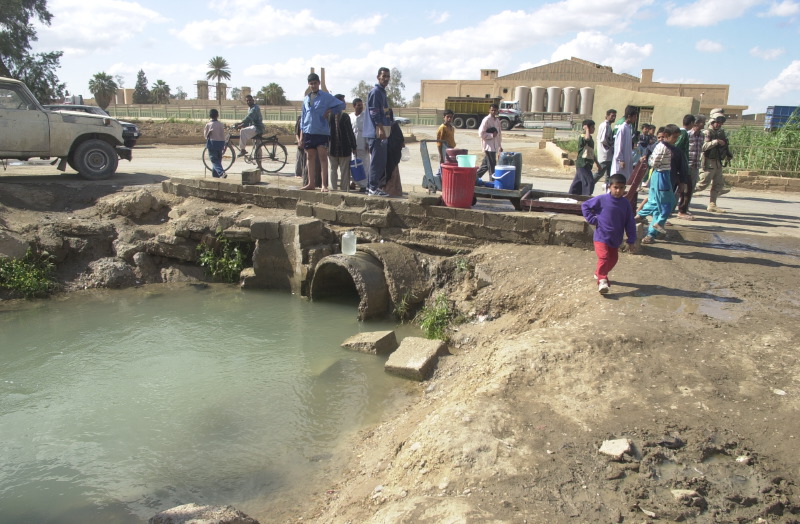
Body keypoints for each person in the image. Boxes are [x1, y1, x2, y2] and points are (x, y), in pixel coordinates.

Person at [581, 173, 637, 294]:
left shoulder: (625, 204)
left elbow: (630, 222)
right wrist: (592, 219)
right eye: (615, 187)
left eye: (621, 188)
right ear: (609, 187)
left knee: (613, 259)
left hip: (615, 237)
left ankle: (599, 273)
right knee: (604, 257)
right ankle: (602, 280)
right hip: (601, 236)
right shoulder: (602, 199)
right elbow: (585, 205)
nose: (618, 190)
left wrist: (631, 239)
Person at [637, 124, 687, 244]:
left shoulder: (675, 151)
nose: (676, 140)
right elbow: (652, 161)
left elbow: (683, 168)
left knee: (658, 205)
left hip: (668, 180)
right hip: (662, 179)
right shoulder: (662, 148)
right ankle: (648, 224)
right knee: (664, 205)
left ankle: (649, 232)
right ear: (666, 136)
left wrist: (682, 182)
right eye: (674, 137)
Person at [300, 73, 345, 192]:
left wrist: (330, 110)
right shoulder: (306, 99)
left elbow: (341, 105)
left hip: (321, 132)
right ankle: (311, 183)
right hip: (308, 131)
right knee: (310, 157)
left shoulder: (326, 96)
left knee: (323, 158)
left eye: (315, 83)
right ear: (308, 85)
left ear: (319, 83)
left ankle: (324, 184)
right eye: (311, 83)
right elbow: (303, 117)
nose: (313, 85)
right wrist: (301, 136)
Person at [364, 67, 394, 197]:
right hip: (376, 133)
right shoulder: (376, 92)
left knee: (378, 161)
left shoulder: (382, 92)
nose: (386, 79)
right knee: (377, 161)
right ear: (378, 77)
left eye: (388, 76)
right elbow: (374, 112)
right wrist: (381, 128)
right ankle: (373, 188)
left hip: (380, 132)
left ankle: (370, 187)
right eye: (384, 76)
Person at [695, 109, 732, 212]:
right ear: (712, 122)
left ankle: (712, 204)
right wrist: (715, 142)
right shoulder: (707, 133)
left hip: (717, 161)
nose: (719, 124)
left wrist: (728, 154)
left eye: (721, 123)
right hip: (708, 161)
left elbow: (725, 145)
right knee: (702, 184)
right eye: (717, 122)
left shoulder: (720, 133)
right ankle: (681, 195)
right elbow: (703, 146)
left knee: (718, 184)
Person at [327, 94, 357, 191]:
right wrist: (354, 146)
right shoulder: (345, 117)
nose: (344, 103)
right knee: (344, 171)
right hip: (344, 149)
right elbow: (350, 133)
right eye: (343, 102)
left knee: (332, 170)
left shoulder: (328, 115)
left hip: (331, 148)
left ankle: (333, 189)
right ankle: (344, 191)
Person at [680, 115, 706, 219]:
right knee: (682, 188)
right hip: (687, 164)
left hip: (695, 165)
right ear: (696, 123)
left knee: (690, 189)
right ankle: (677, 209)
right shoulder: (687, 134)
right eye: (703, 122)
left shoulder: (702, 135)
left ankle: (685, 208)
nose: (704, 124)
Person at [568, 119, 600, 196]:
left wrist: (597, 164)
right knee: (589, 181)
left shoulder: (591, 139)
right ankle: (586, 197)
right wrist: (587, 129)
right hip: (582, 164)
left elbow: (591, 153)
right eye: (592, 127)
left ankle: (572, 195)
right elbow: (587, 138)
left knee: (578, 182)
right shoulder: (583, 137)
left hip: (587, 164)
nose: (594, 129)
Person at [675, 114, 695, 219]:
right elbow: (676, 147)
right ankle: (682, 210)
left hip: (680, 166)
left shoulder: (681, 133)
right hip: (681, 166)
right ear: (691, 123)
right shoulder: (683, 134)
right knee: (687, 189)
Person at [475, 104, 502, 180]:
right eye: (492, 110)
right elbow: (481, 133)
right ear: (489, 110)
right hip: (488, 147)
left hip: (495, 146)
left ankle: (473, 178)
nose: (493, 112)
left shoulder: (497, 121)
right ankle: (492, 182)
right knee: (492, 166)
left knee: (485, 166)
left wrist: (500, 146)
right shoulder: (486, 120)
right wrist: (491, 135)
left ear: (497, 111)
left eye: (495, 110)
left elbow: (499, 135)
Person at [612, 105, 638, 183]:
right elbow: (618, 145)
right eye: (634, 117)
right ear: (629, 116)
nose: (635, 119)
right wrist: (621, 159)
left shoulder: (628, 127)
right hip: (621, 160)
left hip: (627, 158)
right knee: (618, 180)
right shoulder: (622, 128)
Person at [593, 109, 617, 187]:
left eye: (615, 116)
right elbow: (603, 139)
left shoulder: (608, 125)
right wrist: (611, 143)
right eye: (612, 116)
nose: (614, 118)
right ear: (607, 116)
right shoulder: (605, 125)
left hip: (608, 154)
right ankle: (588, 185)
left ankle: (608, 188)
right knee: (600, 172)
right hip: (604, 154)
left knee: (609, 174)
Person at [204, 108, 227, 179]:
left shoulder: (208, 125)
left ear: (210, 116)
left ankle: (221, 172)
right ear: (217, 115)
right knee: (218, 160)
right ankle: (215, 176)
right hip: (221, 143)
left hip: (212, 143)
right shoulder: (221, 124)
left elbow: (205, 136)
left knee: (214, 160)